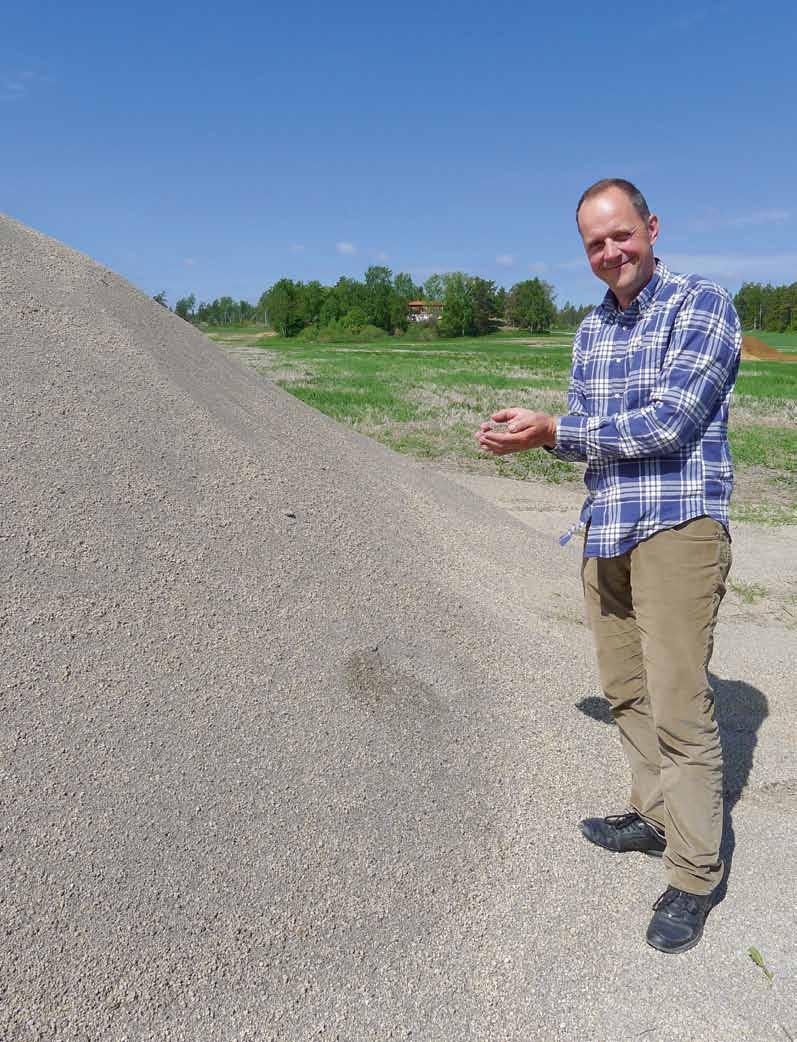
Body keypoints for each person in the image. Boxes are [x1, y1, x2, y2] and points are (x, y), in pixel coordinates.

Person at [476, 178, 741, 954]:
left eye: (620, 235)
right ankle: (655, 816)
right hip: (606, 528)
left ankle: (694, 874)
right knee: (626, 690)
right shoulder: (592, 327)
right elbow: (587, 431)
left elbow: (669, 422)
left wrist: (553, 429)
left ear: (651, 228)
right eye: (594, 244)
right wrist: (537, 435)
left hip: (677, 525)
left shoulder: (700, 304)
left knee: (679, 704)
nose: (609, 253)